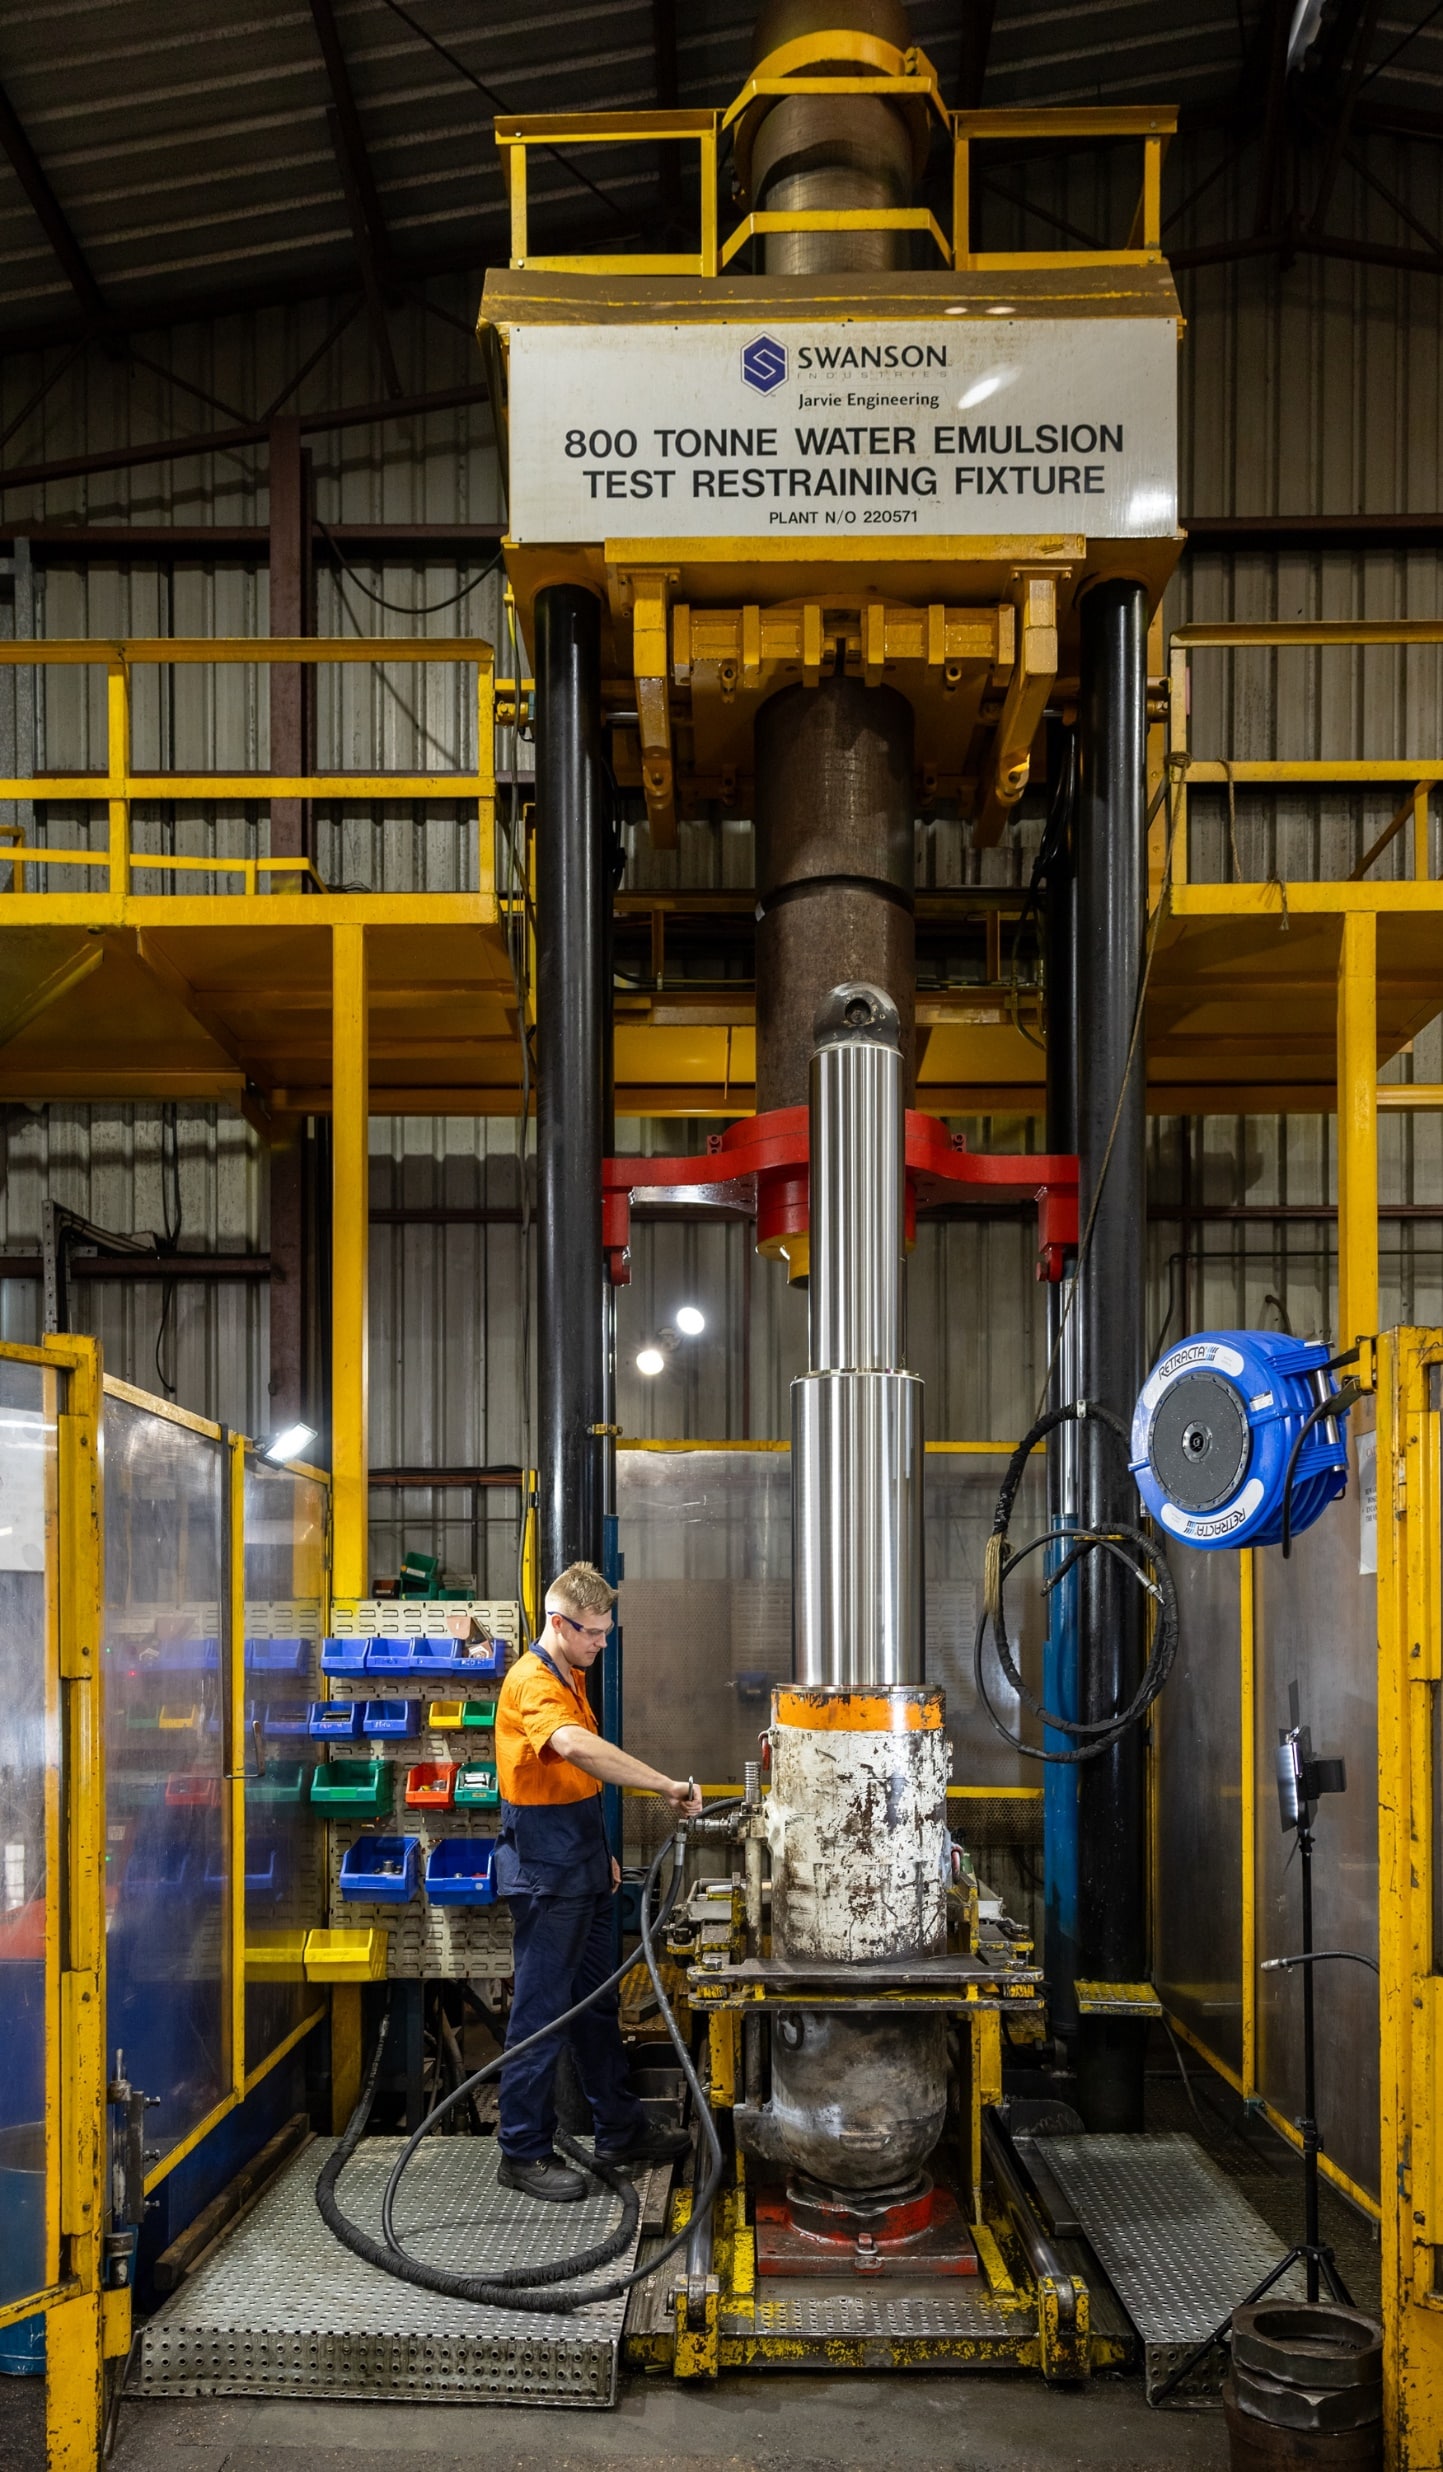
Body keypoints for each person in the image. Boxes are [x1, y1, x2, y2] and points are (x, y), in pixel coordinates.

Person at [493, 1559, 704, 2202]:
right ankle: (523, 2151)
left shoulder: (570, 1671)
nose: (602, 1642)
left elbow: (572, 1782)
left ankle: (620, 2129)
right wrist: (664, 1783)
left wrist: (603, 1852)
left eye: (606, 1631)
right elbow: (577, 1750)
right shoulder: (534, 1682)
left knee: (596, 2007)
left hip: (581, 1862)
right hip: (546, 1873)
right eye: (592, 1632)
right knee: (540, 2013)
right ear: (558, 1624)